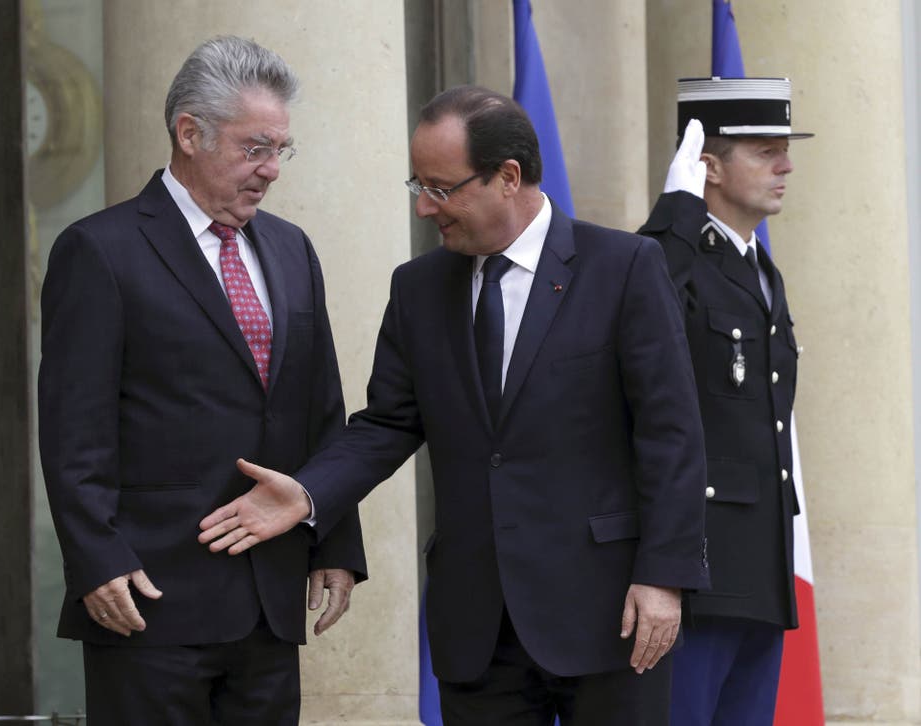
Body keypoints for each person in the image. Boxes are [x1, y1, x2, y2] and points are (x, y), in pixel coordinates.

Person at [198, 85, 709, 726]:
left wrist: (664, 576)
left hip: (610, 612)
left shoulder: (625, 267)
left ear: (508, 178)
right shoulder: (419, 288)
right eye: (418, 184)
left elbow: (672, 434)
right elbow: (386, 423)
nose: (423, 208)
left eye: (441, 189)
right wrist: (307, 494)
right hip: (477, 624)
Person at [38, 36, 366, 725]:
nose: (272, 170)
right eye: (255, 148)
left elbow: (321, 407)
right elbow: (75, 428)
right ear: (190, 133)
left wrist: (333, 537)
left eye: (281, 149)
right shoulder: (100, 251)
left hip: (268, 602)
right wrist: (96, 558)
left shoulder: (291, 247)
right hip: (148, 600)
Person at [638, 77, 812, 726]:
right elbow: (637, 313)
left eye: (784, 148)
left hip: (760, 572)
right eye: (765, 150)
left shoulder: (761, 272)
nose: (786, 164)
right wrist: (674, 216)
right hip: (697, 574)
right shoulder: (671, 258)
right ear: (707, 165)